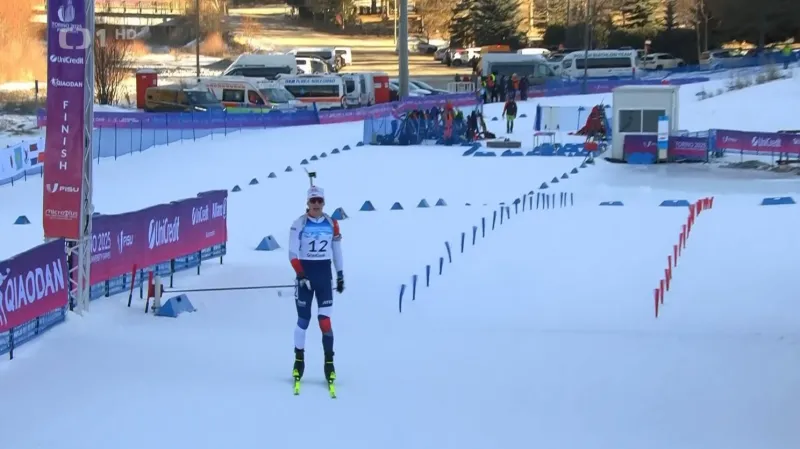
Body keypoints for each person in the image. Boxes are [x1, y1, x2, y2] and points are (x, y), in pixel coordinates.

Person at [289, 186, 344, 383]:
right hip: (305, 276)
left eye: (319, 201)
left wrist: (340, 275)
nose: (316, 205)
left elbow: (336, 251)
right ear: (307, 203)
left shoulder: (332, 223)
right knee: (303, 320)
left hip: (323, 276)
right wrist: (301, 275)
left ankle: (329, 363)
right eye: (313, 201)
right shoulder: (299, 224)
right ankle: (299, 360)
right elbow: (293, 254)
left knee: (325, 322)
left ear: (324, 202)